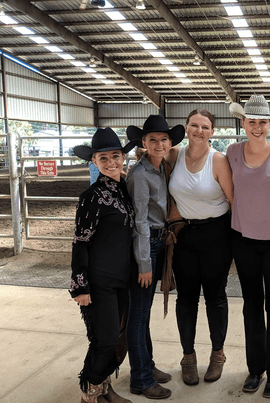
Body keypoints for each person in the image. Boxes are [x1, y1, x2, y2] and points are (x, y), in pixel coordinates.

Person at [227, 95, 270, 398]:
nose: (257, 127)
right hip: (243, 239)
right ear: (243, 123)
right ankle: (255, 368)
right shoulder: (231, 152)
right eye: (252, 121)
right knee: (252, 305)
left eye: (263, 122)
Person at [167, 108, 234, 386]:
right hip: (184, 234)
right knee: (186, 299)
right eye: (194, 125)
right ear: (186, 127)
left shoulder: (218, 160)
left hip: (216, 233)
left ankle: (217, 354)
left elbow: (234, 200)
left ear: (212, 132)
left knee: (215, 296)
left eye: (205, 127)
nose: (199, 131)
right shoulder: (174, 155)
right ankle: (188, 356)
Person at [70, 127, 137, 403]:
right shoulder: (92, 196)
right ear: (93, 162)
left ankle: (104, 387)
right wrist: (80, 285)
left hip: (120, 277)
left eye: (116, 156)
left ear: (123, 157)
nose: (111, 162)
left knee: (114, 336)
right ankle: (90, 392)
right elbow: (80, 241)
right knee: (107, 338)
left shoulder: (122, 188)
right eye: (103, 158)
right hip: (98, 281)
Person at [125, 115, 185, 399]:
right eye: (152, 140)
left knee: (143, 314)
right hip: (146, 245)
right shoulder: (139, 174)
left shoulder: (162, 168)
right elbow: (138, 221)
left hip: (159, 242)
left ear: (169, 143)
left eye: (163, 139)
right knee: (138, 317)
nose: (159, 144)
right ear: (143, 143)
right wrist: (144, 264)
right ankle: (141, 379)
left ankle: (146, 366)